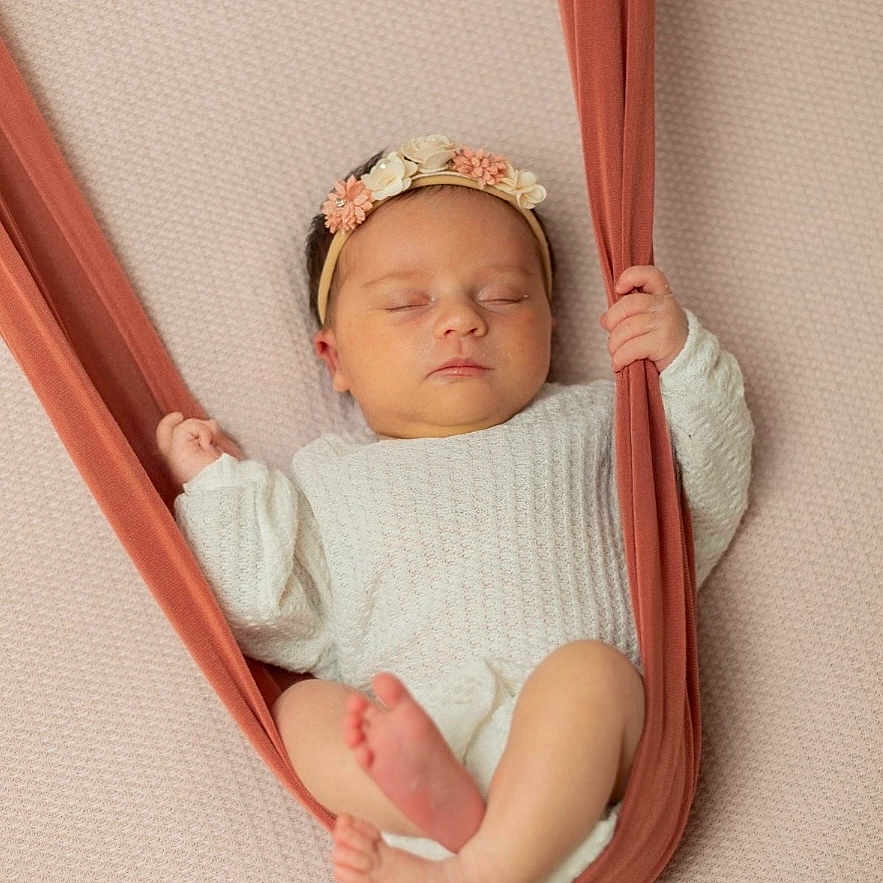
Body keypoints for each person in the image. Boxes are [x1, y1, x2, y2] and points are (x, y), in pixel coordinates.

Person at [155, 134, 755, 883]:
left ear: (553, 325)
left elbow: (708, 489)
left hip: (592, 748)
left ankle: (479, 869)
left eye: (502, 296)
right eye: (409, 302)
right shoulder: (326, 480)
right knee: (302, 712)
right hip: (417, 739)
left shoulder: (600, 421)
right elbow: (271, 619)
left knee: (589, 674)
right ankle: (453, 815)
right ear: (334, 358)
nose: (461, 320)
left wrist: (682, 359)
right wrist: (219, 490)